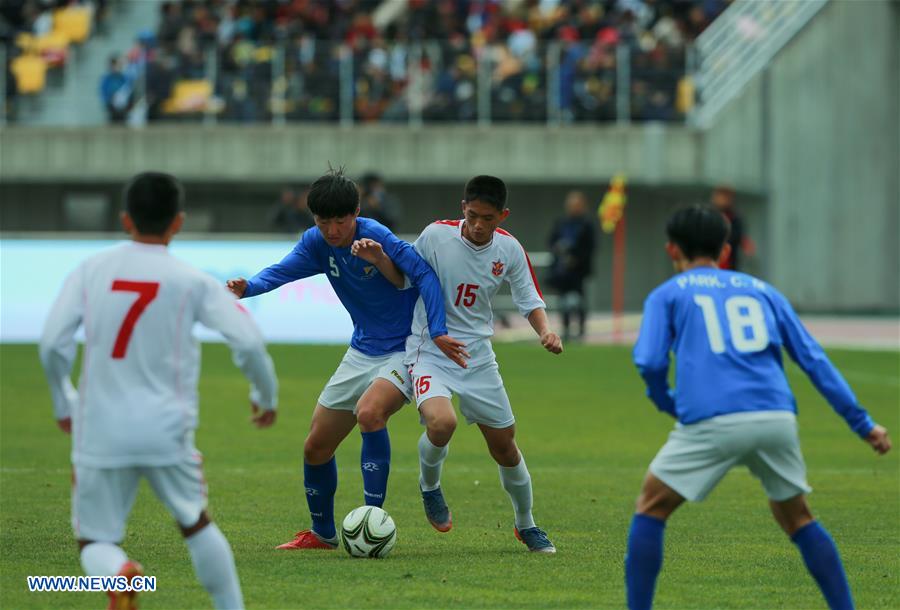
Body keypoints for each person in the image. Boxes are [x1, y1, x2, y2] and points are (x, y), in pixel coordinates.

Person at [626, 205, 891, 610]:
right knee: (797, 517)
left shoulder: (668, 294)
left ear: (671, 249)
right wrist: (863, 423)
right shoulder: (763, 291)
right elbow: (813, 360)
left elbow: (649, 361)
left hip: (713, 420)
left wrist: (667, 401)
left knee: (651, 506)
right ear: (726, 250)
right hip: (776, 417)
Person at [40, 172, 279, 610]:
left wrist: (63, 400)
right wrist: (266, 397)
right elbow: (247, 341)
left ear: (125, 219)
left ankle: (118, 574)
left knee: (94, 539)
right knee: (197, 523)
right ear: (178, 222)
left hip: (99, 426)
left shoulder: (90, 270)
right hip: (166, 427)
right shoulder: (193, 280)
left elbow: (52, 342)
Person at [226, 168, 467, 550]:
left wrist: (436, 329)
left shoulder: (379, 237)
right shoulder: (317, 242)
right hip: (361, 350)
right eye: (324, 222)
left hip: (406, 348)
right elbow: (283, 271)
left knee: (370, 413)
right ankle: (322, 533)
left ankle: (373, 520)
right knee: (315, 447)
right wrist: (250, 286)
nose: (334, 230)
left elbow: (424, 275)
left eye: (341, 221)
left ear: (356, 212)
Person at [371, 175, 563, 553]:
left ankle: (526, 524)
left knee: (505, 447)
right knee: (443, 423)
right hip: (430, 350)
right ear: (463, 208)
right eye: (472, 215)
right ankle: (430, 486)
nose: (478, 225)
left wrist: (545, 331)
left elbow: (529, 299)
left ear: (502, 216)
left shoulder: (509, 250)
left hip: (478, 357)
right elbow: (404, 279)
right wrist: (379, 259)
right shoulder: (435, 236)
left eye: (488, 218)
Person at [546, 190, 597, 342]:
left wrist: (576, 259)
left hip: (579, 271)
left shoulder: (587, 225)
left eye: (577, 205)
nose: (574, 208)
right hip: (562, 270)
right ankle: (566, 329)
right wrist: (559, 250)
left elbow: (591, 247)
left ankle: (581, 330)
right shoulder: (561, 223)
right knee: (563, 302)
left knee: (579, 301)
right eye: (571, 205)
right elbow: (551, 241)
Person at [710, 184, 753, 271]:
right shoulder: (709, 215)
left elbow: (737, 238)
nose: (721, 199)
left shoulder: (735, 218)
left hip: (730, 264)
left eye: (725, 197)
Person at [99, 56, 134, 124]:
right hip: (112, 106)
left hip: (124, 106)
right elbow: (104, 93)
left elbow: (129, 90)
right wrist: (111, 100)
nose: (120, 67)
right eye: (117, 65)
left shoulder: (124, 78)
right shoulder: (106, 79)